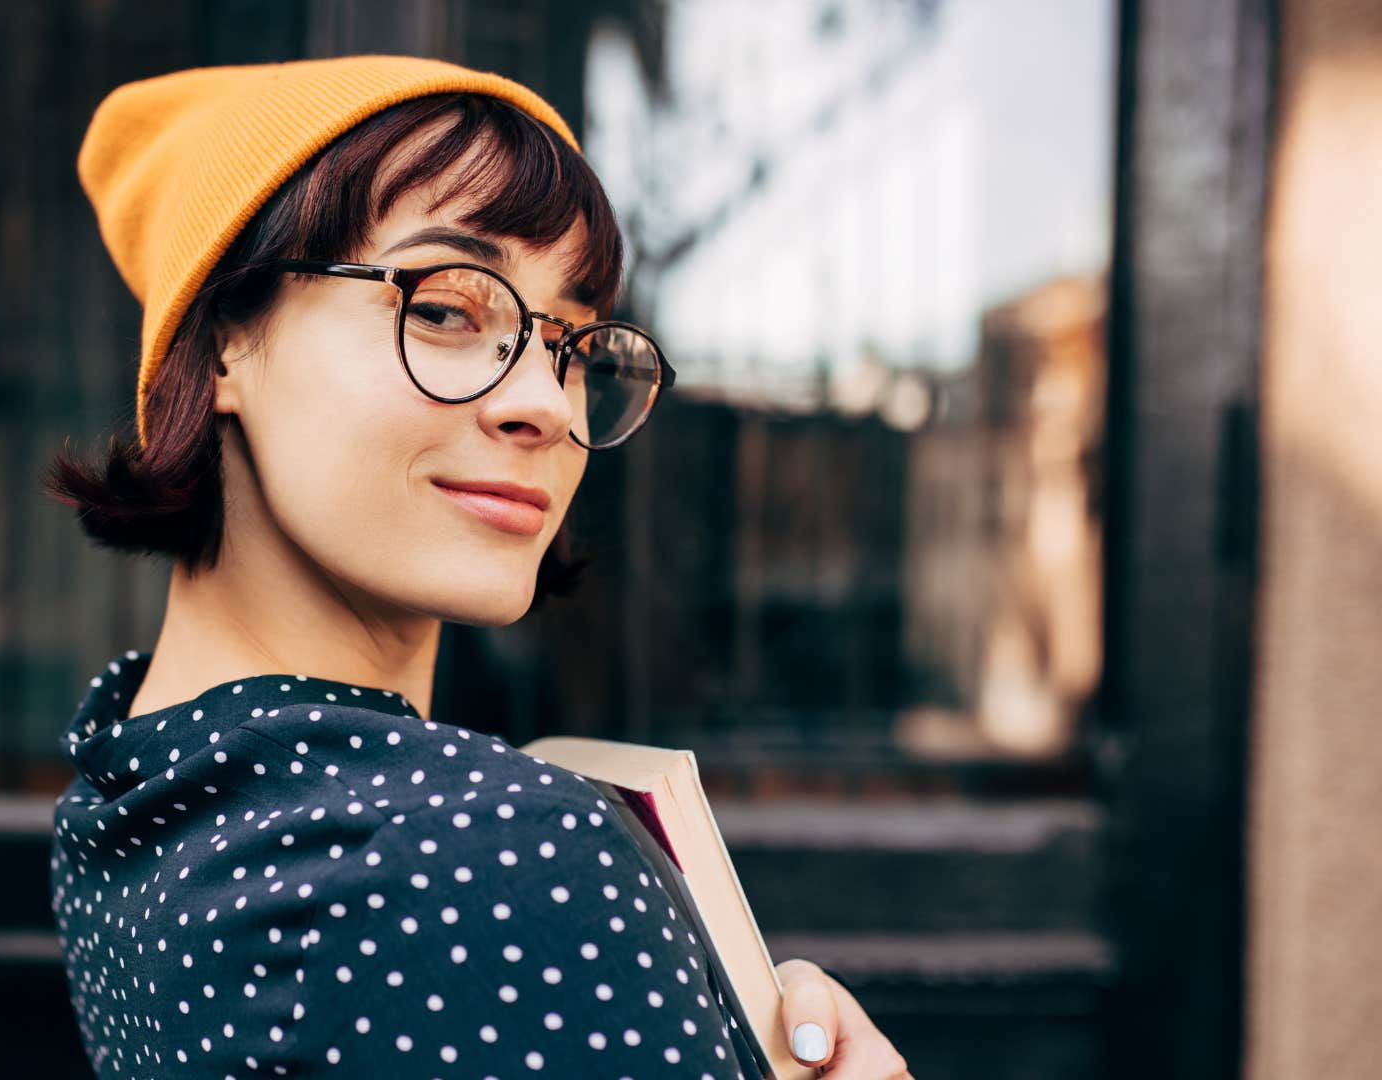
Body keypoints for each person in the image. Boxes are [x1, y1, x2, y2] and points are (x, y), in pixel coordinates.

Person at [46, 54, 911, 1079]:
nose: (546, 405)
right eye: (448, 309)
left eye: (575, 347)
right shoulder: (504, 852)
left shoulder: (133, 782)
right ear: (224, 335)